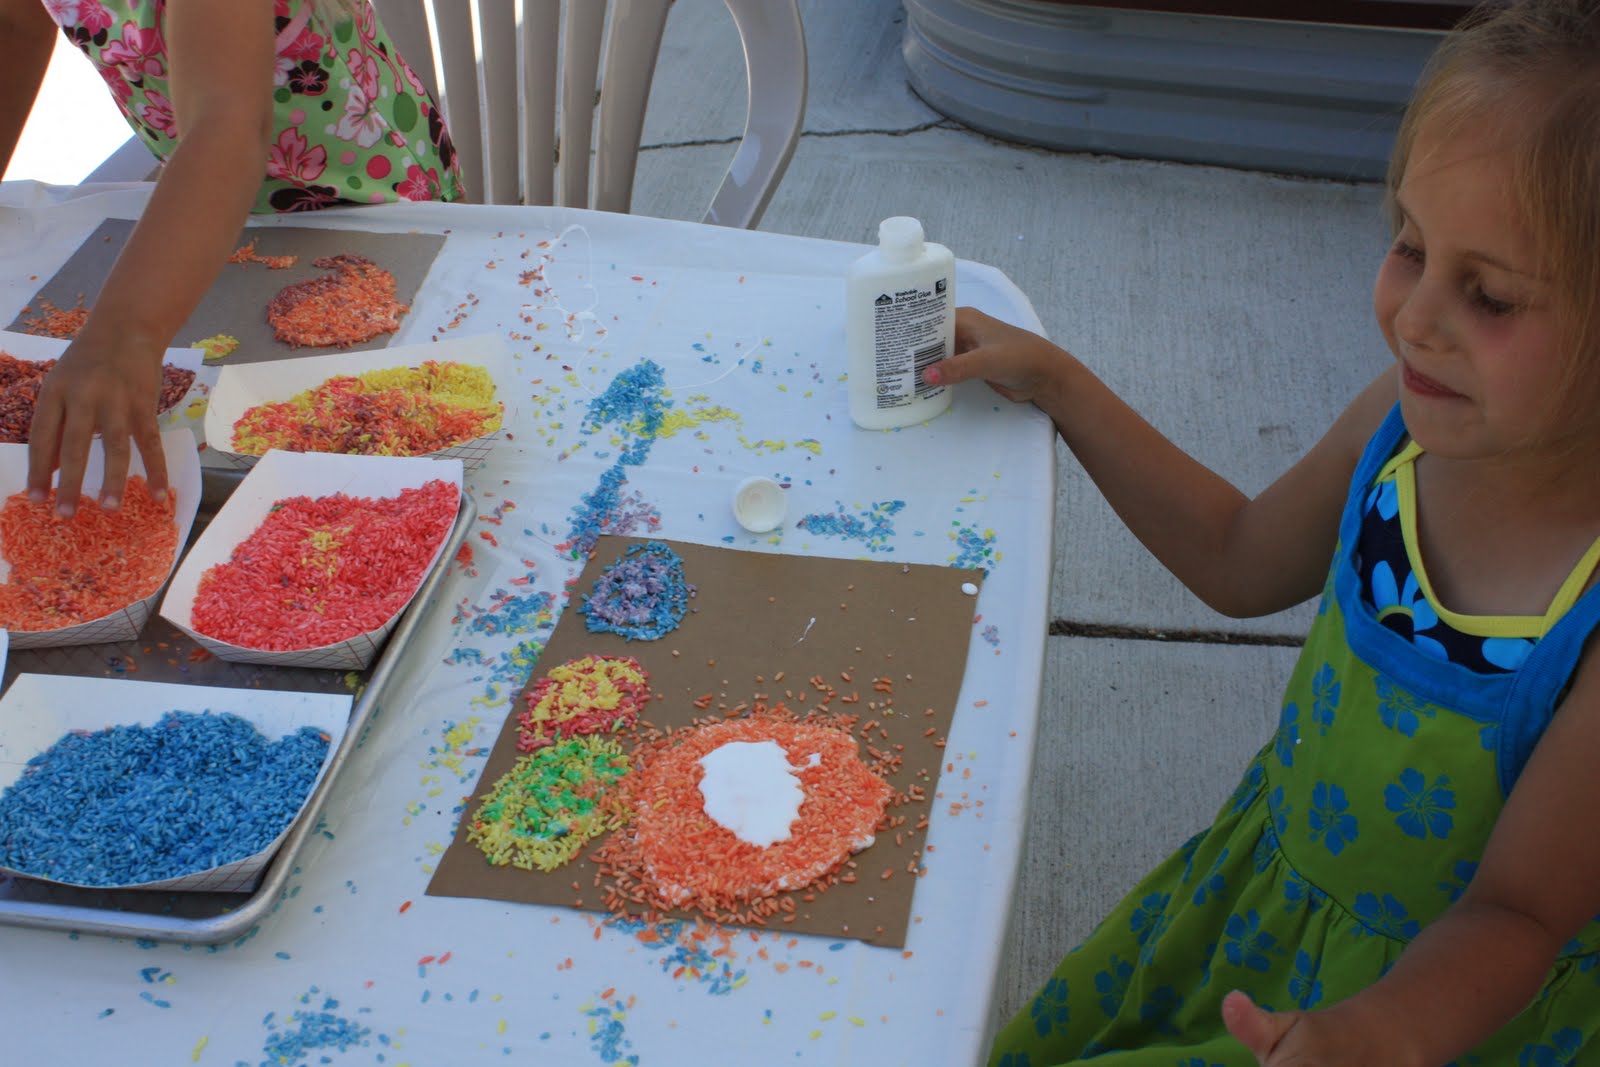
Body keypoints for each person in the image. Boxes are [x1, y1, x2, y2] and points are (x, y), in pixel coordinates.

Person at [925, 1, 1600, 1063]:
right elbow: (1237, 558)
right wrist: (1060, 382)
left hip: (1429, 1022)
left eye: (1490, 296)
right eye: (1410, 245)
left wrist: (1373, 1030)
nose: (1417, 315)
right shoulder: (1401, 422)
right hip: (1256, 925)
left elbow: (1517, 913)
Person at [0, 0, 463, 517]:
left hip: (372, 198)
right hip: (209, 211)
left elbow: (229, 124)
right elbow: (15, 25)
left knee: (394, 434)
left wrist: (120, 336)